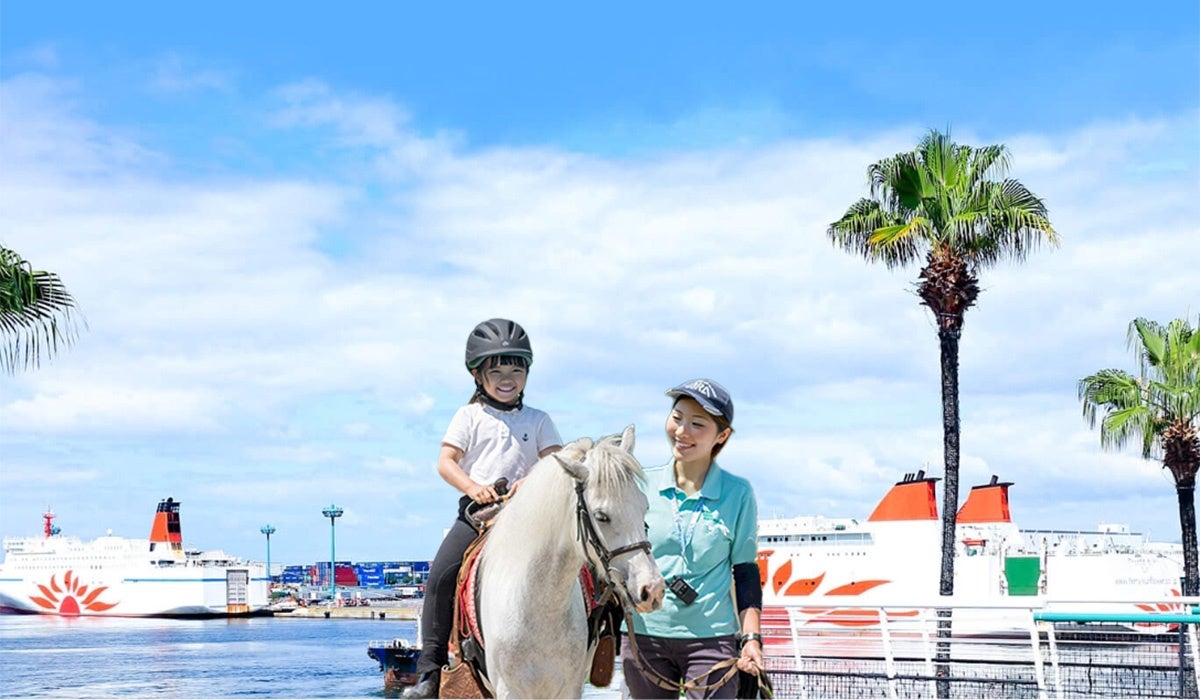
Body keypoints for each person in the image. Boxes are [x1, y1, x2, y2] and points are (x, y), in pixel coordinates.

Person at [403, 318, 563, 699]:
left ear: (527, 372)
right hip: (479, 516)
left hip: (530, 516)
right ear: (478, 374)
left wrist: (534, 481)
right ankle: (429, 672)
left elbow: (556, 460)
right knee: (440, 578)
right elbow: (446, 462)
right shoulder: (469, 416)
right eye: (496, 370)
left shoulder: (539, 420)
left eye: (516, 369)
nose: (507, 378)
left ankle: (594, 643)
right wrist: (474, 488)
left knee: (585, 568)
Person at [622, 378, 764, 699]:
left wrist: (752, 638)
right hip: (645, 636)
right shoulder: (640, 483)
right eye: (677, 418)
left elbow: (745, 573)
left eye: (697, 424)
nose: (682, 431)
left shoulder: (738, 494)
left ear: (722, 436)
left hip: (711, 640)